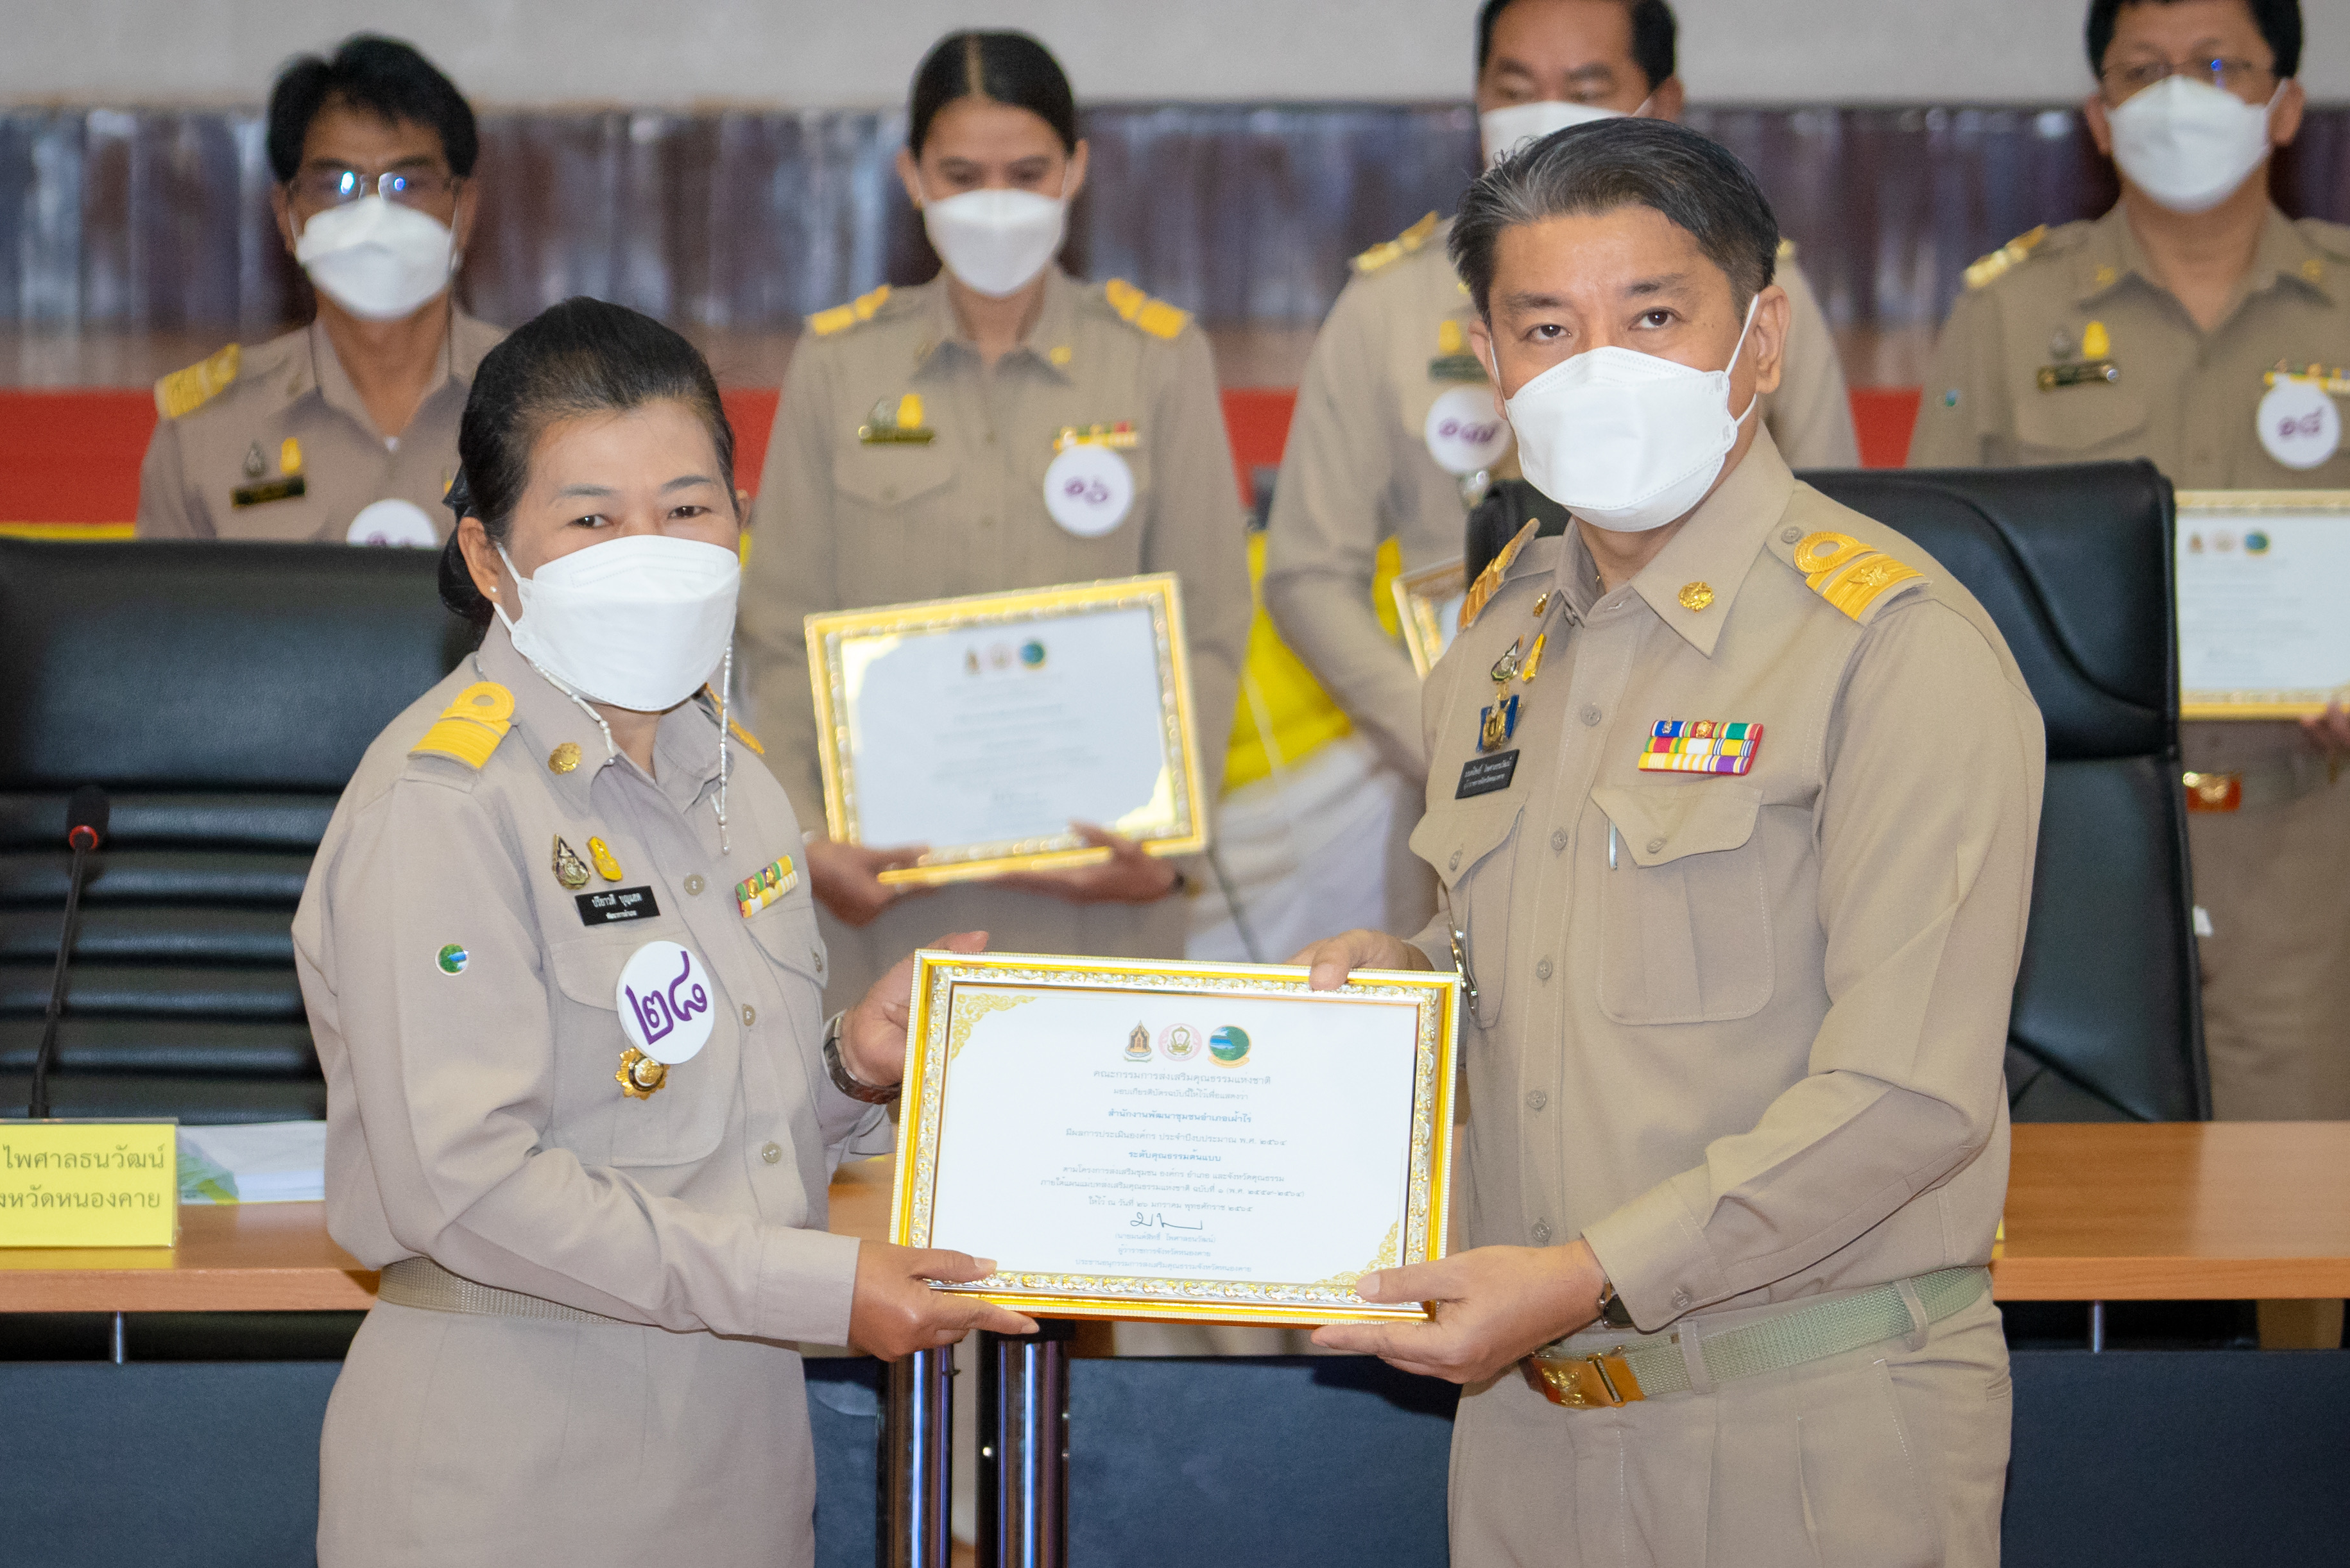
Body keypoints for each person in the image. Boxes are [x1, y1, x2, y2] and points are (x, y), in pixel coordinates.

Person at [1297, 119, 2041, 1567]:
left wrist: (1584, 1275)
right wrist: (1392, 989)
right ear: (1492, 360)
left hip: (1811, 1426)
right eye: (1549, 328)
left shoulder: (1892, 644)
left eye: (1654, 316)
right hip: (1532, 1432)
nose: (1602, 369)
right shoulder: (1497, 641)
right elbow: (1516, 979)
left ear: (1760, 340)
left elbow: (1910, 1096)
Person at [292, 298, 1034, 1568]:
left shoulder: (737, 778)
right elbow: (467, 1185)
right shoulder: (443, 802)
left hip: (732, 1467)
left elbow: (694, 1125)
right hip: (511, 1473)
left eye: (688, 509)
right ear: (488, 558)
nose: (653, 548)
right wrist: (822, 1288)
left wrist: (851, 1064)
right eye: (593, 520)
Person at [1262, 0, 1860, 884]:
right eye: (1515, 88)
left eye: (1584, 88)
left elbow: (1836, 540)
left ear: (1661, 101)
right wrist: (1442, 728)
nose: (1544, 116)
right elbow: (1309, 573)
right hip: (1469, 796)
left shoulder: (1751, 291)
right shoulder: (1388, 301)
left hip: (1720, 783)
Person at [738, 30, 1250, 1014]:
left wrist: (1167, 844)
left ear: (1077, 172)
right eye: (962, 175)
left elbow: (1210, 625)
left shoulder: (1155, 358)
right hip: (885, 908)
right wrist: (811, 837)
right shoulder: (839, 364)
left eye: (1026, 172)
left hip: (1102, 903)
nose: (996, 202)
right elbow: (779, 628)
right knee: (878, 1168)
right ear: (912, 179)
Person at [1910, 0, 2350, 1122]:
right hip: (2066, 846)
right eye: (2143, 72)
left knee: (2297, 1211)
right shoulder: (2007, 313)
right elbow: (1924, 577)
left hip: (2312, 830)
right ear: (2100, 119)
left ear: (2285, 104)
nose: (2179, 98)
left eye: (2215, 66)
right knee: (2085, 1198)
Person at [137, 35, 503, 545]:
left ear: (464, 213)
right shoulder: (206, 431)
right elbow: (164, 621)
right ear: (287, 218)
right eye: (339, 186)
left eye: (406, 184)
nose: (374, 217)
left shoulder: (549, 407)